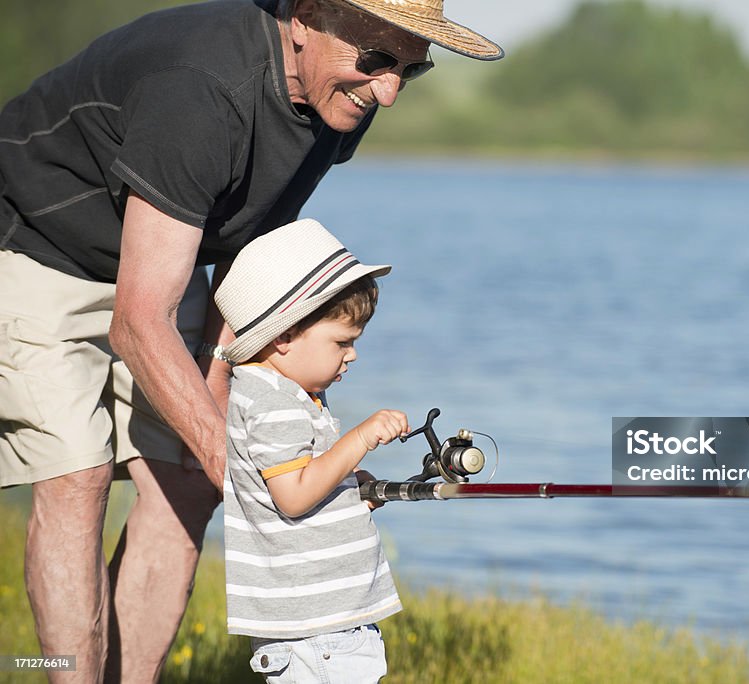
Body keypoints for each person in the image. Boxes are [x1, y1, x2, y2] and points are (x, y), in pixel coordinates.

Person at [0, 0, 501, 681]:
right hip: (33, 239)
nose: (389, 90)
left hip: (159, 253)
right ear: (304, 18)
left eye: (411, 71)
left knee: (186, 476)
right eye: (379, 61)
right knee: (77, 477)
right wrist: (239, 462)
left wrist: (229, 411)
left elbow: (253, 243)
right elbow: (137, 321)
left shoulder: (342, 94)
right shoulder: (203, 89)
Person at [215, 218, 407, 682]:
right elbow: (294, 495)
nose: (352, 355)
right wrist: (357, 440)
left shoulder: (287, 391)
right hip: (317, 632)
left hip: (322, 623)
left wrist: (348, 485)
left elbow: (301, 477)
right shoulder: (272, 401)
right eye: (342, 342)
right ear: (282, 337)